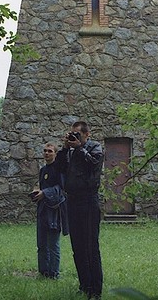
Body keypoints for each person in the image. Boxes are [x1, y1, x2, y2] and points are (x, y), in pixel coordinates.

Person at [55, 120, 104, 300]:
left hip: (89, 201)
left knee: (91, 246)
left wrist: (79, 148)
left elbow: (93, 165)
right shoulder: (71, 151)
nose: (75, 137)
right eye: (72, 134)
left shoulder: (95, 148)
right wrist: (65, 148)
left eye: (78, 134)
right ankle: (84, 284)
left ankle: (95, 290)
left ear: (87, 135)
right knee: (78, 247)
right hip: (73, 201)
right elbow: (59, 167)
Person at [31, 142, 68, 279]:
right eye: (45, 151)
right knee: (41, 244)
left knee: (53, 244)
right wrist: (37, 193)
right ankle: (43, 272)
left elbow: (61, 188)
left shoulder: (59, 170)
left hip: (55, 211)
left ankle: (54, 273)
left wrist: (45, 193)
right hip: (43, 209)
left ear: (55, 154)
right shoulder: (43, 170)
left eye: (50, 151)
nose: (47, 153)